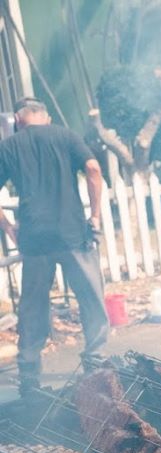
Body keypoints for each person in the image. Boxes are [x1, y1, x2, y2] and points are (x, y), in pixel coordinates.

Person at [0, 97, 109, 394]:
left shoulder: (9, 146)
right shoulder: (66, 135)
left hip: (35, 240)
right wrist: (95, 216)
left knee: (33, 308)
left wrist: (8, 227)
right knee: (91, 297)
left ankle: (29, 378)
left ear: (19, 120)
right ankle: (96, 365)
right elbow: (94, 170)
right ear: (45, 117)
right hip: (72, 234)